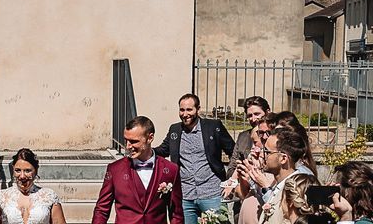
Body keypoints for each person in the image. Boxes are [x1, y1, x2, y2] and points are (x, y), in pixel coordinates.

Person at [156, 93, 234, 224]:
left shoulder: (213, 127)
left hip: (212, 193)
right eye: (182, 110)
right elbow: (163, 150)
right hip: (185, 195)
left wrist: (232, 180)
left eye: (189, 109)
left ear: (198, 109)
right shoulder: (175, 129)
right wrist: (144, 148)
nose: (185, 114)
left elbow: (233, 151)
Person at [93, 116, 184, 224]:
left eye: (133, 141)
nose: (128, 146)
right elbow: (102, 210)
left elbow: (176, 213)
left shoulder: (171, 170)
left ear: (150, 138)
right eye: (126, 140)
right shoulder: (115, 169)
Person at [0, 148, 66, 224]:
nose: (22, 176)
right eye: (18, 170)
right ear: (13, 170)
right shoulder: (1, 197)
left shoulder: (49, 196)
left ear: (36, 170)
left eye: (27, 171)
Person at [257, 127, 307, 224]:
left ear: (283, 159)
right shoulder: (279, 186)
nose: (262, 156)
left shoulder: (296, 190)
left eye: (267, 152)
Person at [227, 97, 271, 178]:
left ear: (267, 112)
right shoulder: (243, 137)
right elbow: (231, 169)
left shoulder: (275, 137)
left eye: (257, 114)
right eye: (250, 115)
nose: (253, 119)